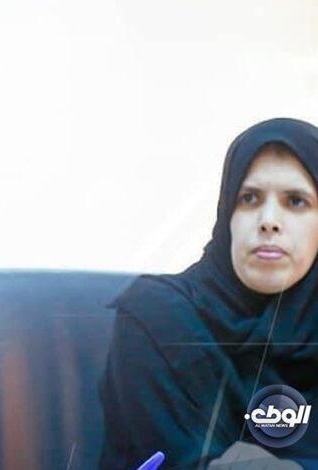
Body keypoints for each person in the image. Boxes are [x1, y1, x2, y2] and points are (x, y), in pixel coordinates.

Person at [98, 118, 318, 469]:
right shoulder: (159, 319)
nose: (268, 221)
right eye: (249, 198)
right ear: (227, 213)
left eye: (296, 201)